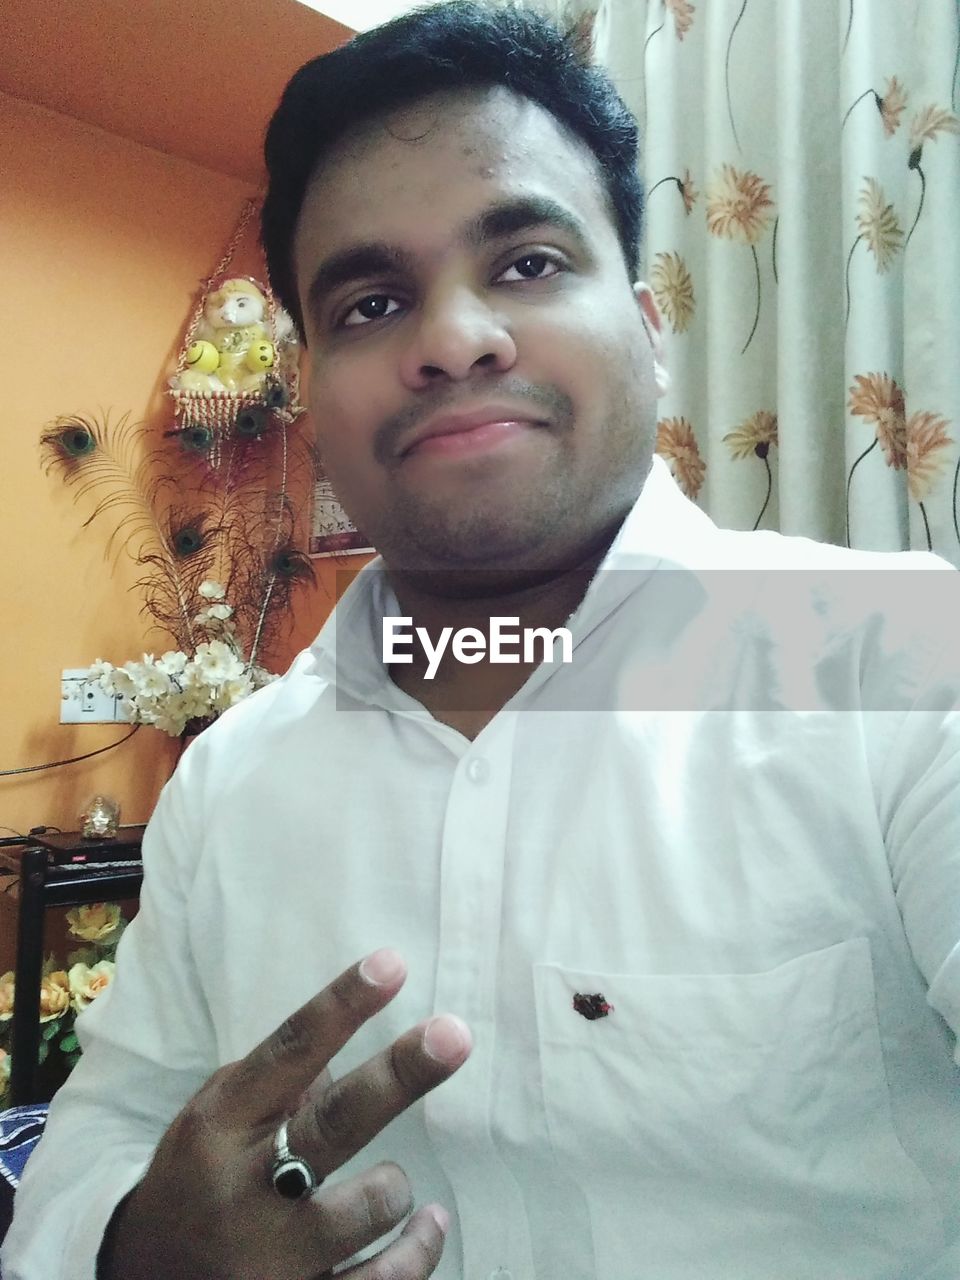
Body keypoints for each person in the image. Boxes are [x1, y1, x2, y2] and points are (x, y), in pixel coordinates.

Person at [4, 3, 960, 1278]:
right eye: (372, 300)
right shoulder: (231, 781)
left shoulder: (903, 661)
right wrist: (134, 1251)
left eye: (525, 265)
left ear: (652, 332)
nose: (453, 338)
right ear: (313, 407)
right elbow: (105, 1135)